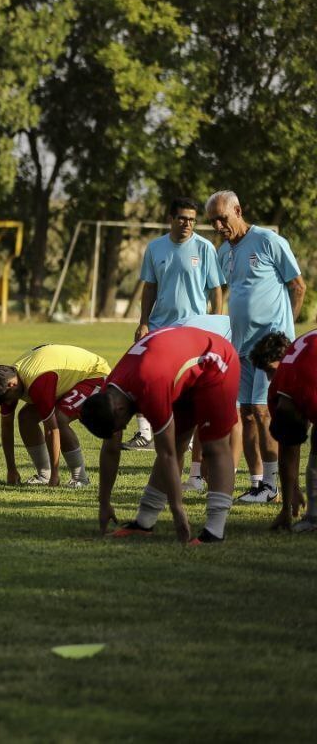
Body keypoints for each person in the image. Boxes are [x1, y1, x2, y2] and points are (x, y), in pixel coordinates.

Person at [80, 326, 239, 544]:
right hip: (178, 365)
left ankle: (215, 531)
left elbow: (167, 455)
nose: (123, 428)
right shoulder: (111, 392)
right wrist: (104, 502)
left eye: (120, 426)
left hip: (216, 360)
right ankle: (144, 522)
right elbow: (110, 449)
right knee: (176, 440)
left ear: (118, 410)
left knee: (213, 446)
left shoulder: (148, 387)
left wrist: (177, 509)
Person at [207, 190, 306, 503]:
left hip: (269, 350)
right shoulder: (224, 253)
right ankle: (258, 483)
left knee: (264, 413)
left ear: (238, 209)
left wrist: (284, 337)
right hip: (241, 347)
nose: (219, 225)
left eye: (223, 217)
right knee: (247, 413)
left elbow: (298, 287)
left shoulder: (268, 241)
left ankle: (273, 485)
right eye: (213, 221)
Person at [124, 199, 225, 470]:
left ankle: (188, 436)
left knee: (189, 386)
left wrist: (216, 323)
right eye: (182, 218)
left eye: (192, 220)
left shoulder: (205, 248)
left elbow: (216, 289)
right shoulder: (155, 247)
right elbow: (150, 287)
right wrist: (143, 321)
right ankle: (146, 432)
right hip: (159, 326)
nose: (187, 224)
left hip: (193, 328)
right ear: (171, 218)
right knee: (147, 378)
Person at [0, 344, 111, 488]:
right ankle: (43, 475)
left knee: (60, 419)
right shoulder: (7, 382)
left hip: (94, 374)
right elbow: (6, 427)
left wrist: (56, 474)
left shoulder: (38, 381)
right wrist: (11, 469)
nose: (8, 403)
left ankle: (80, 478)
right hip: (65, 380)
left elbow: (52, 429)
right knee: (26, 418)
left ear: (12, 385)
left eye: (8, 399)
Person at [249, 330, 317, 533]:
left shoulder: (307, 390)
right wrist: (286, 506)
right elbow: (287, 449)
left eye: (270, 370)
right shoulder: (276, 395)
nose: (269, 377)